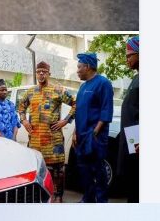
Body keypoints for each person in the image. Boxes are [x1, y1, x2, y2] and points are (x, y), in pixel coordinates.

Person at [18, 61, 76, 203]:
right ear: (36, 74)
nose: (41, 74)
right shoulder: (30, 92)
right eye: (39, 71)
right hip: (35, 140)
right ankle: (43, 194)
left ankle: (59, 195)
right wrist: (24, 121)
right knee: (38, 168)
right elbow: (21, 107)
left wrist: (65, 120)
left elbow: (76, 103)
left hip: (53, 139)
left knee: (58, 170)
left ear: (49, 73)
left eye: (44, 71)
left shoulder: (58, 90)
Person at [73, 52, 114, 203]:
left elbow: (106, 109)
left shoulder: (103, 83)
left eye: (79, 67)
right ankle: (88, 199)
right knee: (84, 171)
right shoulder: (83, 87)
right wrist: (75, 134)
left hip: (95, 137)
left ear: (88, 66)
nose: (77, 70)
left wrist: (95, 132)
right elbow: (78, 111)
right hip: (81, 136)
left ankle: (102, 203)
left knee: (98, 171)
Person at [117, 36, 139, 203]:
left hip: (138, 138)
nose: (126, 59)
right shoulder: (137, 77)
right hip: (133, 137)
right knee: (132, 180)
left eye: (129, 55)